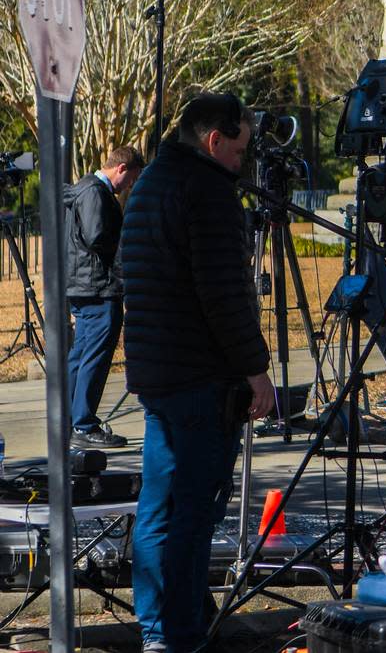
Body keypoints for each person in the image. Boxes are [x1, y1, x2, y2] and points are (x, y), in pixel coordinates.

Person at [121, 93, 275, 653]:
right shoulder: (206, 190)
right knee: (185, 515)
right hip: (197, 375)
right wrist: (256, 369)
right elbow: (225, 296)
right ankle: (175, 632)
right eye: (239, 150)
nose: (242, 163)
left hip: (162, 370)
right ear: (214, 140)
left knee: (162, 509)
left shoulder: (153, 182)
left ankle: (163, 626)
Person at [63, 146, 144, 448]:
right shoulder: (96, 193)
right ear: (121, 168)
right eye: (131, 179)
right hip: (98, 285)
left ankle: (70, 420)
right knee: (94, 357)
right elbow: (98, 236)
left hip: (82, 285)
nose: (130, 187)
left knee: (81, 355)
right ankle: (83, 423)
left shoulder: (82, 189)